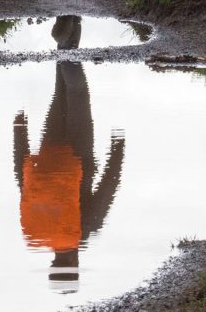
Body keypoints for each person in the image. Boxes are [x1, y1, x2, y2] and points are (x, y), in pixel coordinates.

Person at [13, 22, 125, 291]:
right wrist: (19, 133)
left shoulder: (83, 230)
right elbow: (24, 181)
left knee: (76, 93)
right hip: (49, 151)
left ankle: (67, 39)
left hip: (79, 154)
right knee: (60, 91)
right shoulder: (38, 230)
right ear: (54, 261)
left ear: (73, 262)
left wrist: (118, 151)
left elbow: (107, 188)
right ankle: (67, 37)